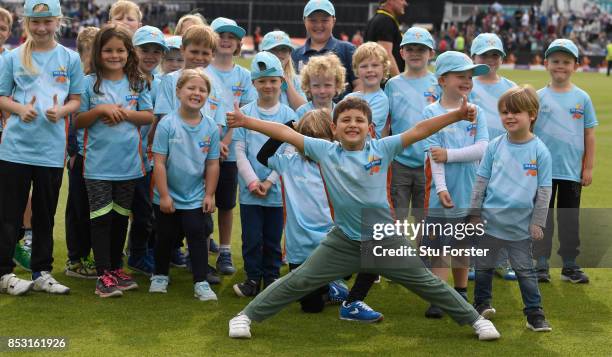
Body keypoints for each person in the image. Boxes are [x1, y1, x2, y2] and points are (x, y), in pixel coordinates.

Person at [226, 96, 500, 341]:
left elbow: (419, 131)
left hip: (385, 240)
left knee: (428, 284)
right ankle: (245, 317)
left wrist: (457, 115)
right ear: (334, 129)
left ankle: (476, 321)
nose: (352, 124)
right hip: (343, 241)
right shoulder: (324, 150)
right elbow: (284, 132)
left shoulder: (381, 148)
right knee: (299, 280)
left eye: (359, 120)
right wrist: (245, 120)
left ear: (370, 128)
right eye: (345, 120)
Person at [0, 0, 84, 296]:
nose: (41, 28)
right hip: (15, 149)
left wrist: (61, 112)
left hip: (51, 149)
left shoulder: (69, 58)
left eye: (48, 21)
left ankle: (42, 272)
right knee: (9, 214)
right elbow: (1, 97)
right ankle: (4, 273)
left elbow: (76, 99)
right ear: (26, 22)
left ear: (58, 21)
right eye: (35, 22)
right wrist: (20, 109)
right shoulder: (12, 57)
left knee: (45, 214)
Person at [76, 24, 154, 297]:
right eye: (108, 50)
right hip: (97, 166)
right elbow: (76, 121)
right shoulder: (88, 83)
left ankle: (116, 268)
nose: (114, 55)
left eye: (120, 50)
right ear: (98, 52)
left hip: (129, 165)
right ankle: (102, 275)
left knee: (121, 217)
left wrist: (124, 114)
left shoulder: (138, 81)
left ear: (128, 52)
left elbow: (148, 116)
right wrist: (99, 110)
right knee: (101, 219)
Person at [470, 85, 553, 332]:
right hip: (490, 224)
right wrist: (474, 213)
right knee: (483, 267)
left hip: (520, 228)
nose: (510, 116)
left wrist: (538, 222)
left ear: (532, 115)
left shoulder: (540, 151)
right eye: (505, 112)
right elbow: (480, 183)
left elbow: (544, 192)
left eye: (516, 112)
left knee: (525, 272)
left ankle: (534, 314)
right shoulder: (495, 146)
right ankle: (481, 305)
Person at [256, 109, 349, 313]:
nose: (313, 147)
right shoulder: (289, 164)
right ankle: (329, 287)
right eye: (307, 141)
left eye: (320, 141)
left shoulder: (338, 162)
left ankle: (336, 281)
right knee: (311, 307)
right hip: (299, 243)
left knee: (354, 257)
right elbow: (263, 155)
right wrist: (289, 127)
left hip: (331, 239)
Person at [421, 51, 489, 318]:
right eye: (461, 76)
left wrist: (450, 155)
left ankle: (460, 291)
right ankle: (439, 296)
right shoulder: (431, 112)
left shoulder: (477, 111)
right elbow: (433, 153)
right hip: (445, 191)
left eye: (469, 77)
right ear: (442, 80)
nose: (467, 81)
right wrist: (441, 188)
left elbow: (482, 148)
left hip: (471, 187)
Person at [149, 69, 220, 301]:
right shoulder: (167, 124)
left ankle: (200, 281)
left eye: (202, 89)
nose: (196, 93)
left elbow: (212, 164)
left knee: (197, 236)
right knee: (165, 236)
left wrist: (209, 194)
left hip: (195, 196)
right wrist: (165, 195)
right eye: (191, 88)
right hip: (168, 195)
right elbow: (158, 163)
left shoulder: (210, 126)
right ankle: (160, 275)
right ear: (178, 91)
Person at [232, 52, 297, 297]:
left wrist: (269, 181)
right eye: (262, 81)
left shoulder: (290, 115)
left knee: (272, 238)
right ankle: (252, 278)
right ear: (254, 83)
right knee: (251, 238)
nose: (268, 85)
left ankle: (271, 278)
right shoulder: (244, 112)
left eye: (273, 80)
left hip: (277, 191)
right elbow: (239, 150)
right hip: (250, 192)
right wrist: (251, 181)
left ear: (281, 81)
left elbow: (289, 151)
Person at [532, 39, 597, 284]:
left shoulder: (583, 98)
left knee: (569, 218)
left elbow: (589, 134)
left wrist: (588, 166)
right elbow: (528, 135)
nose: (561, 66)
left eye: (566, 62)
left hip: (571, 171)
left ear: (576, 66)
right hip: (541, 172)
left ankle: (570, 264)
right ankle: (540, 264)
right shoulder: (537, 97)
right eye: (556, 61)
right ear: (546, 63)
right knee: (542, 218)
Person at [209, 17, 258, 275]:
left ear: (239, 43)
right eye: (221, 34)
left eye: (232, 36)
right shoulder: (202, 71)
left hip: (229, 151)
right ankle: (202, 244)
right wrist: (212, 143)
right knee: (201, 201)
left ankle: (225, 250)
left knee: (226, 203)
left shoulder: (245, 75)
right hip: (203, 150)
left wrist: (225, 142)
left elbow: (246, 113)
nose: (226, 40)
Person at [469, 33, 518, 281]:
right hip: (473, 158)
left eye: (494, 55)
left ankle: (500, 259)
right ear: (474, 57)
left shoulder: (510, 87)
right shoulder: (468, 85)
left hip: (504, 158)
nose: (490, 59)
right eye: (484, 55)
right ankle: (470, 261)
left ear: (501, 58)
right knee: (474, 209)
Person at [126, 25, 169, 276]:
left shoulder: (164, 82)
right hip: (130, 155)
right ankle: (136, 254)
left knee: (149, 211)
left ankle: (144, 253)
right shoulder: (125, 79)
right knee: (136, 210)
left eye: (156, 51)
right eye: (145, 49)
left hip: (156, 158)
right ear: (134, 50)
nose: (151, 55)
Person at [64, 26, 100, 279]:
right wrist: (72, 151)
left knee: (94, 208)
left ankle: (91, 256)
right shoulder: (77, 82)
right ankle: (75, 259)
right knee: (78, 208)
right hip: (81, 156)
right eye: (91, 52)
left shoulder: (105, 81)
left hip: (101, 156)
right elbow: (71, 120)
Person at [292, 0, 359, 94]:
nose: (319, 25)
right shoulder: (294, 55)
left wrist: (345, 107)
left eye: (324, 20)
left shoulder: (348, 50)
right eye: (313, 20)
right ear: (304, 21)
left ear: (333, 21)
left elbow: (359, 85)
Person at [346, 42, 390, 138]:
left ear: (384, 68)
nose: (369, 70)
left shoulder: (380, 99)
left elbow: (363, 127)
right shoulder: (349, 97)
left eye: (375, 65)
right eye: (364, 66)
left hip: (369, 151)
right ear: (356, 70)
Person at [261, 31, 307, 111]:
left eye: (284, 49)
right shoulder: (254, 79)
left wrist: (286, 80)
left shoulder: (295, 80)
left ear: (289, 54)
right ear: (263, 53)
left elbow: (303, 111)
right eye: (273, 50)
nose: (279, 53)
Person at [364, 0, 408, 77]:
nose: (405, 3)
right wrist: (399, 83)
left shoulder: (377, 19)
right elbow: (386, 55)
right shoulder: (385, 21)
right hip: (386, 84)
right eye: (401, 0)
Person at [295, 53, 345, 118]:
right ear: (308, 86)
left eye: (327, 85)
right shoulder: (302, 112)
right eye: (316, 86)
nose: (322, 91)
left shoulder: (341, 112)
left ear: (337, 85)